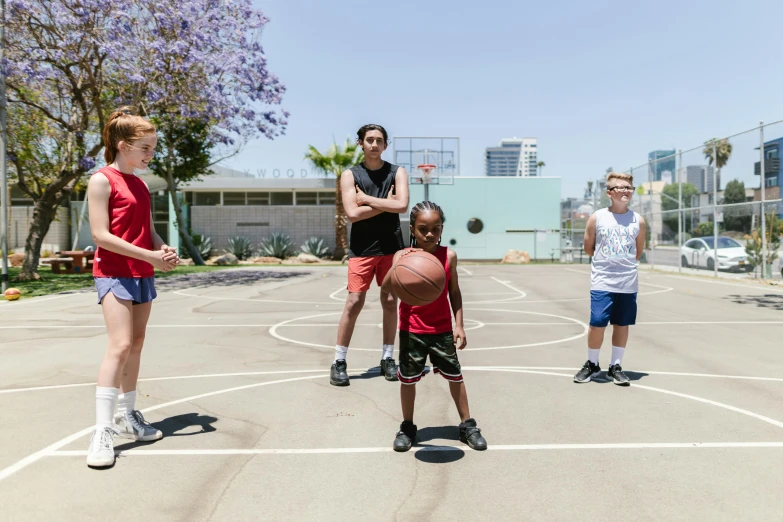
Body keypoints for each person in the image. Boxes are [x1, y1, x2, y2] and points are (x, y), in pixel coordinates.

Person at [85, 107, 179, 468]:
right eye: (146, 147)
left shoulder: (140, 184)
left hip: (143, 272)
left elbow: (149, 229)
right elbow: (100, 235)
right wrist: (148, 255)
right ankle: (102, 431)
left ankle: (128, 415)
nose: (151, 154)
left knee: (137, 344)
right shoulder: (101, 180)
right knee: (120, 345)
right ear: (123, 145)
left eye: (153, 147)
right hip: (113, 272)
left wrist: (161, 248)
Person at [381, 201, 487, 452]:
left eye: (436, 228)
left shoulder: (448, 256)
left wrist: (459, 325)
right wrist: (399, 265)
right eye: (423, 228)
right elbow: (386, 286)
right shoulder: (402, 256)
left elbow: (455, 292)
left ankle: (467, 425)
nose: (429, 234)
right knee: (407, 380)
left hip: (441, 330)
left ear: (442, 229)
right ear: (412, 229)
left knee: (456, 377)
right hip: (411, 330)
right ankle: (407, 426)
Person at [331, 124, 409, 386]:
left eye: (379, 140)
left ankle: (388, 357)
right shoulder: (349, 175)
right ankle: (339, 360)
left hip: (391, 247)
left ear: (386, 145)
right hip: (362, 248)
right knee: (354, 301)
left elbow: (402, 205)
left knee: (389, 301)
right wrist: (385, 204)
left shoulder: (397, 172)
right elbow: (352, 214)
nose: (374, 144)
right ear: (360, 144)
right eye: (369, 140)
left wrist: (367, 199)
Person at [574, 172, 645, 386]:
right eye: (620, 187)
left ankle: (615, 366)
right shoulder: (597, 217)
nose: (625, 191)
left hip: (627, 282)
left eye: (629, 188)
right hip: (603, 280)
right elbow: (589, 248)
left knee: (622, 324)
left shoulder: (638, 221)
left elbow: (638, 252)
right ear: (609, 192)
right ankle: (593, 364)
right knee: (597, 323)